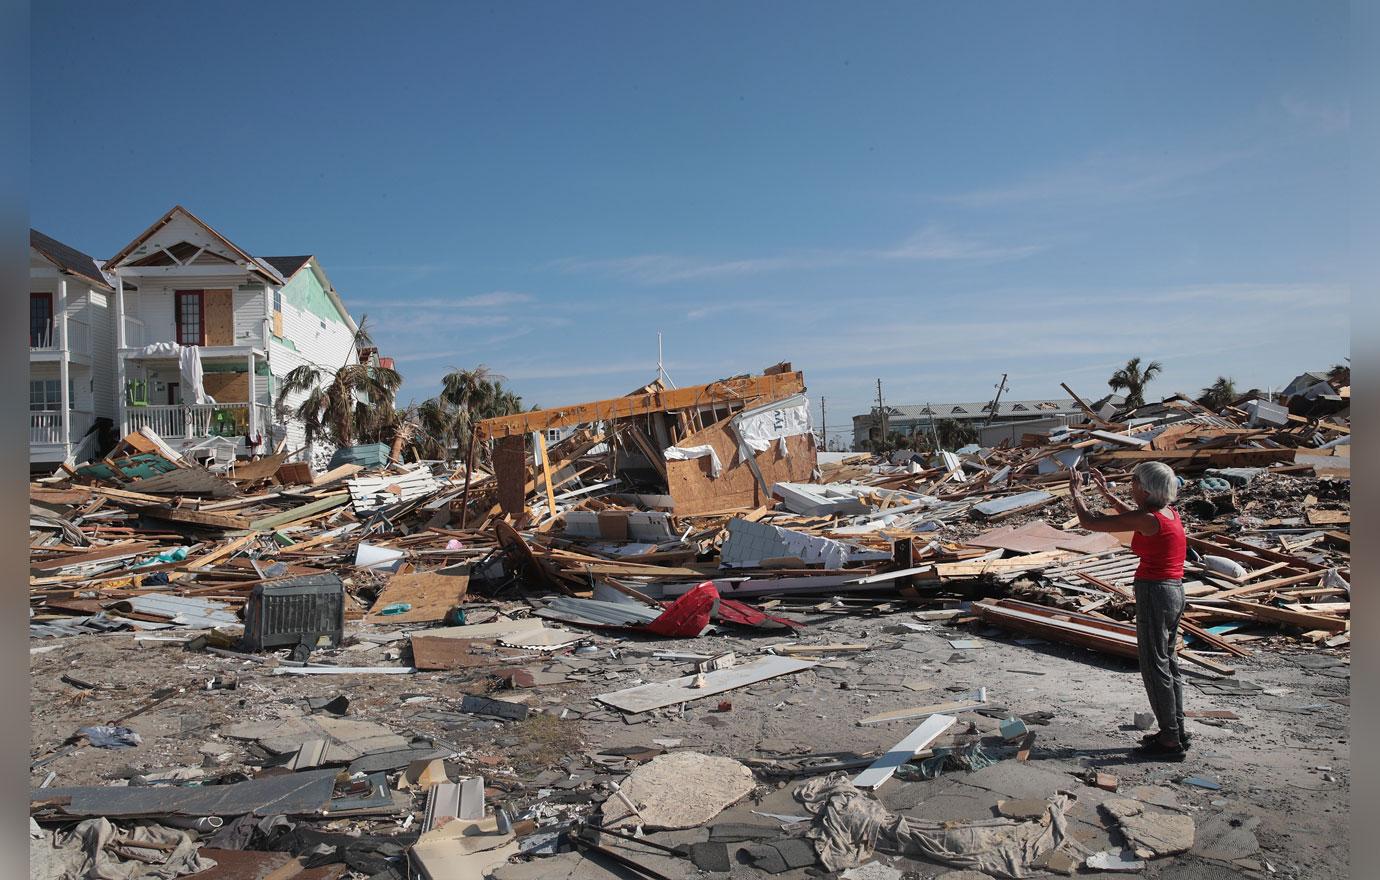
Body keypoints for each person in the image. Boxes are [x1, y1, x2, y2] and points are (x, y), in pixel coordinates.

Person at [1067, 461, 1188, 759]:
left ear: (1145, 489)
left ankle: (1170, 741)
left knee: (1154, 664)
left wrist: (1076, 493)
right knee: (1168, 663)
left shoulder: (1150, 518)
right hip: (1173, 592)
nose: (1130, 486)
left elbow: (1090, 523)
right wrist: (1105, 492)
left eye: (1134, 481)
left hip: (1155, 592)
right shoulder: (1166, 513)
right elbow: (1131, 517)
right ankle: (1175, 730)